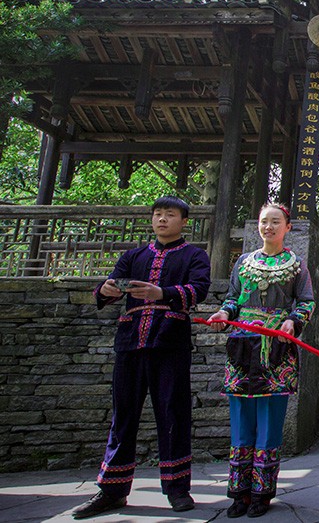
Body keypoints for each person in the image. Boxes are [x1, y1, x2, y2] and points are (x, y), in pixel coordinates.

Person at [72, 196, 211, 519]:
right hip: (130, 341)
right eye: (158, 214)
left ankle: (177, 488)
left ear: (183, 221)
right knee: (123, 416)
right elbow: (107, 287)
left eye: (170, 214)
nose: (162, 220)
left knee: (173, 414)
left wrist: (162, 294)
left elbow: (199, 288)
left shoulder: (194, 255)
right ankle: (112, 489)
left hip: (170, 341)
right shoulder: (133, 256)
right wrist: (105, 290)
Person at [207, 203, 315, 518]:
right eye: (264, 222)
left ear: (287, 227)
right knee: (242, 421)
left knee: (269, 423)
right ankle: (238, 492)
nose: (268, 227)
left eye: (275, 222)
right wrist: (224, 313)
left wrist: (292, 321)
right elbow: (231, 298)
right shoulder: (243, 262)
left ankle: (261, 493)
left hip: (276, 351)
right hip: (242, 347)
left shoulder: (296, 266)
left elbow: (307, 301)